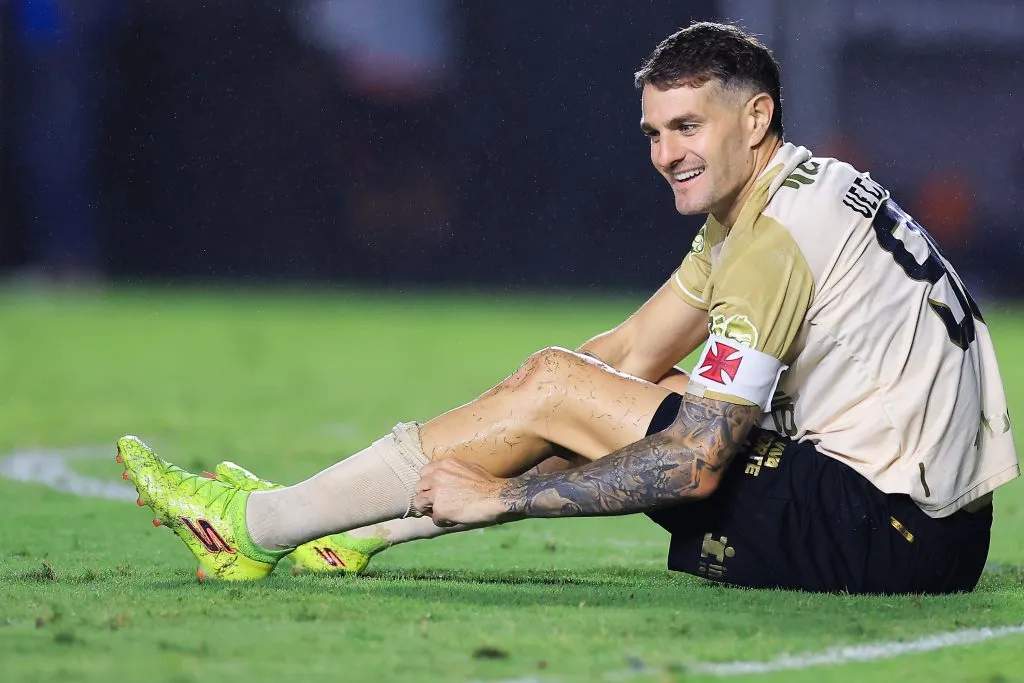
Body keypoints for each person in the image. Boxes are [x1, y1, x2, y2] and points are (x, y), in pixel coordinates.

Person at [117, 21, 1019, 594]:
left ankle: (252, 527)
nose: (667, 153)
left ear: (755, 118)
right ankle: (350, 529)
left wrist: (507, 493)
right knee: (582, 379)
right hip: (924, 520)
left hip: (889, 535)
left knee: (577, 392)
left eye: (688, 127)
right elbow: (623, 357)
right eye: (655, 133)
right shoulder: (794, 193)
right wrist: (537, 402)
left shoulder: (769, 241)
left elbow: (694, 468)